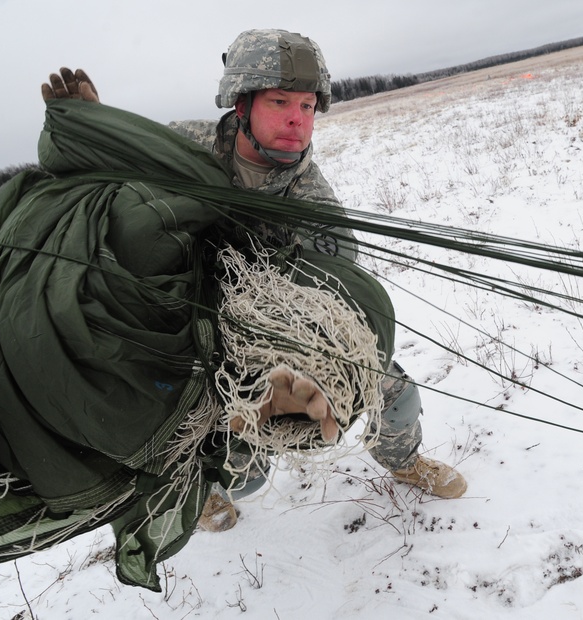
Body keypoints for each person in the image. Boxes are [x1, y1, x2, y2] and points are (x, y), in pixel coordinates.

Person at [43, 29, 467, 533]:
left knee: (391, 390)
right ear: (241, 105)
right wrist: (90, 127)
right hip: (185, 324)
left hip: (267, 333)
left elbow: (335, 287)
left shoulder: (313, 199)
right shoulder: (185, 148)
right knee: (244, 471)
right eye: (280, 101)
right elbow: (103, 175)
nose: (297, 119)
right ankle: (204, 487)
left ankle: (405, 461)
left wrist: (300, 362)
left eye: (309, 106)